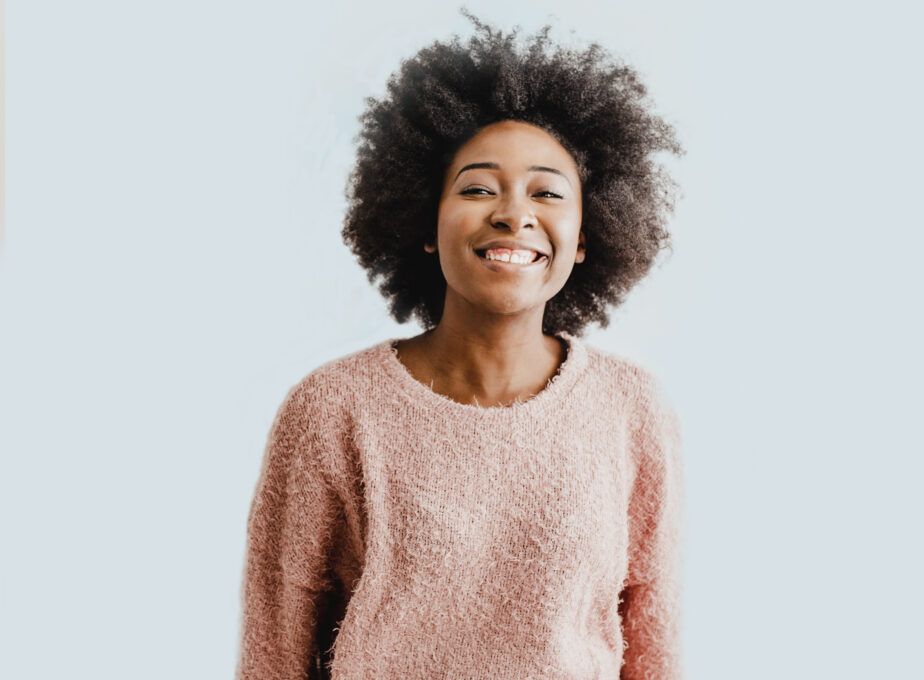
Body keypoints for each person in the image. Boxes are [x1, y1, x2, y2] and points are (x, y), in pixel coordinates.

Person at [236, 9, 686, 679]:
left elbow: (653, 640)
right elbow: (274, 649)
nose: (513, 213)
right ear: (426, 222)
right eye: (477, 188)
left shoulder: (630, 407)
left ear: (586, 237)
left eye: (547, 192)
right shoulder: (332, 409)